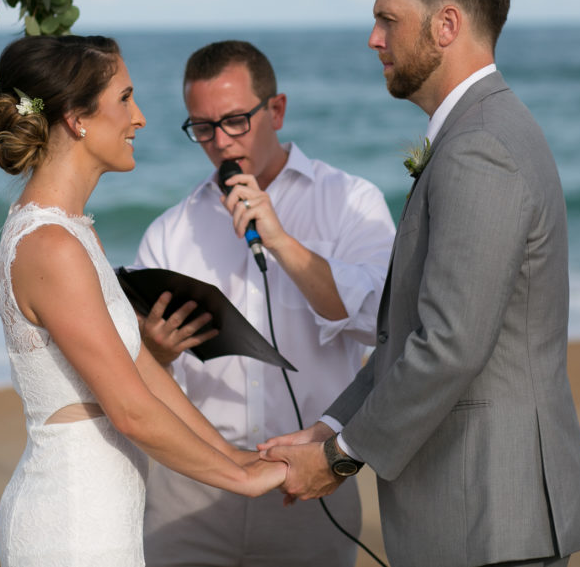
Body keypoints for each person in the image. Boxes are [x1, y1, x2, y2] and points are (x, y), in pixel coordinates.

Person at [260, 0, 580, 567]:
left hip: (490, 515)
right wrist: (331, 427)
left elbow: (450, 342)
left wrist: (340, 458)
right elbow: (409, 336)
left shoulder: (480, 148)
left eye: (387, 19)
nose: (373, 38)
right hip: (481, 513)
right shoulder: (482, 131)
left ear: (446, 25)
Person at [0, 35, 286, 567]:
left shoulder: (76, 232)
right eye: (125, 98)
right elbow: (130, 410)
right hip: (71, 526)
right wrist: (241, 479)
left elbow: (143, 370)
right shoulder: (50, 245)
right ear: (78, 118)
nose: (140, 118)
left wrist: (234, 455)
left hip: (103, 517)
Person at [132, 40, 395, 566]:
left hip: (308, 478)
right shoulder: (170, 231)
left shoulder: (352, 203)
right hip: (193, 485)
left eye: (235, 120)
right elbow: (139, 374)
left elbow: (379, 322)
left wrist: (280, 241)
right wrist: (156, 352)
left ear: (275, 110)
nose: (220, 141)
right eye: (202, 127)